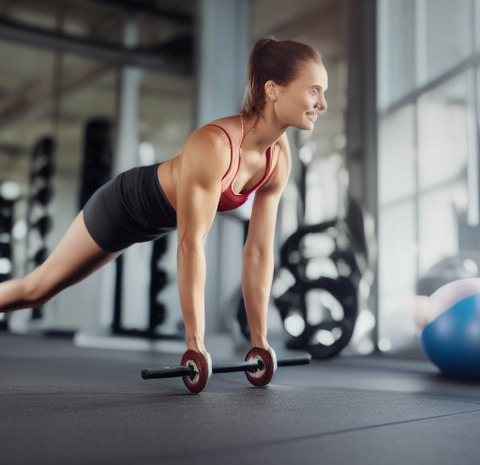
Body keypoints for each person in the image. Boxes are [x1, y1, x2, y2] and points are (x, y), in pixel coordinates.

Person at [0, 37, 328, 380]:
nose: (322, 103)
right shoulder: (214, 145)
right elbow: (191, 245)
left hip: (156, 223)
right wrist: (195, 343)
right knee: (37, 290)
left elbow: (258, 251)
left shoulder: (278, 157)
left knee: (37, 289)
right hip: (123, 207)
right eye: (314, 91)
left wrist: (259, 341)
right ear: (273, 90)